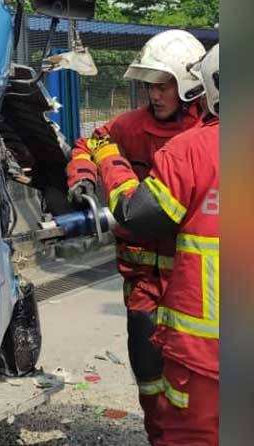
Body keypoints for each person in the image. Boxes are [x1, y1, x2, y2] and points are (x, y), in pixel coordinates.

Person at [65, 29, 207, 444]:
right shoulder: (130, 127)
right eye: (149, 85)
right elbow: (88, 143)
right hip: (142, 278)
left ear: (189, 84)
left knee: (196, 377)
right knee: (148, 373)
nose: (154, 94)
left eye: (163, 84)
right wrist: (84, 179)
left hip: (192, 281)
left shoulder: (207, 135)